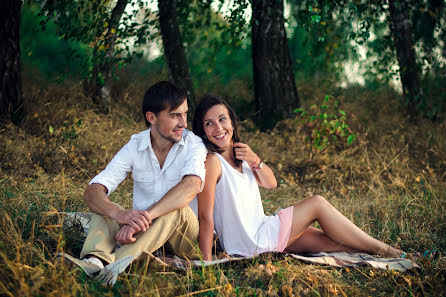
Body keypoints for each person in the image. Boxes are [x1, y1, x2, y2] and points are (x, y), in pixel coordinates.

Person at [192, 95, 406, 261]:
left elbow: (271, 184)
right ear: (202, 130)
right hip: (252, 241)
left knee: (329, 242)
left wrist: (255, 159)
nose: (218, 128)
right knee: (318, 203)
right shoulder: (212, 162)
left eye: (222, 119)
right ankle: (390, 250)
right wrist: (207, 263)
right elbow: (205, 216)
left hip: (262, 230)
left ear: (232, 122)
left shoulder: (242, 155)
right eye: (209, 123)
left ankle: (394, 255)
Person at [60, 81, 207, 278]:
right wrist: (121, 214)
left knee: (177, 208)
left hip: (183, 238)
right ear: (151, 117)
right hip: (142, 233)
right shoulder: (135, 145)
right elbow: (92, 191)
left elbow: (191, 186)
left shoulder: (194, 144)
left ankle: (117, 262)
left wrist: (144, 217)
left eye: (185, 114)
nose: (184, 123)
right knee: (103, 208)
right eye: (174, 116)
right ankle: (95, 261)